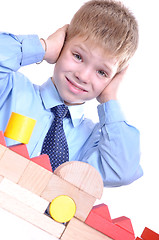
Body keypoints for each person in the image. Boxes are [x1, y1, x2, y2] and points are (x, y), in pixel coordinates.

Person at [0, 0, 143, 187]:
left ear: (113, 79)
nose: (82, 76)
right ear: (63, 45)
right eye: (78, 56)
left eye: (102, 72)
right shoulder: (11, 89)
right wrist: (43, 47)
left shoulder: (92, 141)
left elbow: (122, 171)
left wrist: (110, 99)